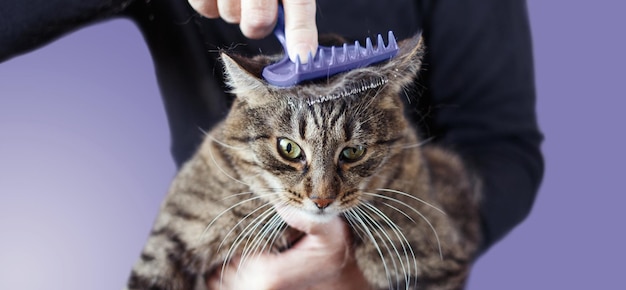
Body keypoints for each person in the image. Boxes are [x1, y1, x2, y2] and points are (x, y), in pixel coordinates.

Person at [0, 0, 544, 288]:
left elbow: (503, 144)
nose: (322, 195)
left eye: (345, 157)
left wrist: (368, 279)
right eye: (294, 156)